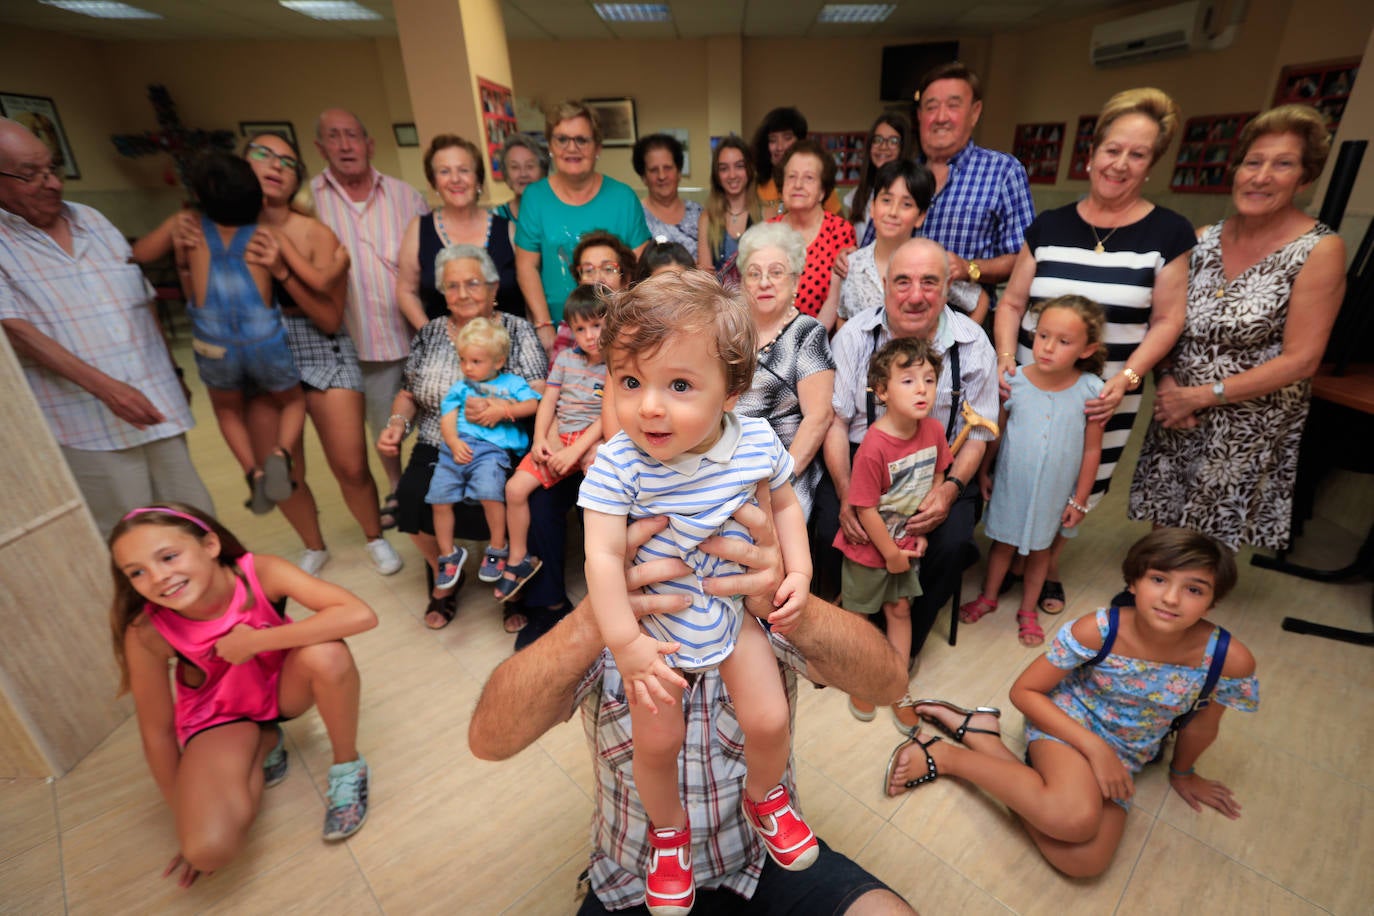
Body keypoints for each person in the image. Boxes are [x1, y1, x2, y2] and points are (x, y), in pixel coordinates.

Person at [468, 499, 916, 915]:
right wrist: (594, 618)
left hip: (761, 859)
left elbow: (888, 683)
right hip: (632, 876)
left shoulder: (757, 605)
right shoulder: (609, 623)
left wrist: (791, 603)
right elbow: (490, 740)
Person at [579, 271, 817, 911]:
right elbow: (601, 553)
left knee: (769, 719)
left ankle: (767, 797)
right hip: (654, 632)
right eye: (631, 382)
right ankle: (667, 837)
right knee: (655, 745)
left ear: (733, 392)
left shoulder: (756, 442)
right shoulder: (619, 461)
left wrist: (799, 572)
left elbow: (789, 507)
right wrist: (625, 643)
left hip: (728, 612)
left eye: (679, 385)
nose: (649, 406)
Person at [886, 528, 1258, 879]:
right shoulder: (1099, 629)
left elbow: (1203, 724)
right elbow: (1025, 692)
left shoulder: (1229, 657)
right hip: (1065, 723)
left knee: (1084, 861)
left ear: (1214, 601)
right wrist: (1095, 749)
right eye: (1159, 579)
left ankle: (984, 738)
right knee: (1072, 820)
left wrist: (1183, 773)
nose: (1171, 598)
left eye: (1194, 589)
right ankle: (947, 757)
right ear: (1133, 582)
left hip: (1128, 750)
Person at [994, 87, 1192, 614]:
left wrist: (1127, 379)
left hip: (1106, 390)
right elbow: (1012, 303)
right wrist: (1007, 360)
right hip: (1035, 384)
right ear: (1092, 153)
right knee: (1022, 464)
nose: (1120, 164)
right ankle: (1011, 551)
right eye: (1112, 150)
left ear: (1151, 165)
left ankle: (1045, 562)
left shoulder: (1168, 233)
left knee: (1077, 477)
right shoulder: (1049, 226)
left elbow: (1169, 319)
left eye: (1138, 154)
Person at [109, 503, 377, 886]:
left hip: (283, 689)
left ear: (211, 545)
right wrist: (186, 813)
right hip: (221, 716)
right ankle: (266, 740)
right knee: (207, 849)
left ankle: (348, 768)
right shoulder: (146, 631)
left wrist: (257, 641)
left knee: (328, 653)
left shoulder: (259, 572)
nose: (158, 578)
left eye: (168, 557)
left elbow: (359, 614)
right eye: (137, 572)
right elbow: (157, 733)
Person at [1128, 104, 1347, 552]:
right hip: (1178, 409)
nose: (1261, 176)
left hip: (1248, 422)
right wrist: (1169, 385)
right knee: (1165, 522)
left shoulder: (1319, 250)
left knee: (1207, 546)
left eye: (1282, 164)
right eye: (1253, 162)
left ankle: (1186, 611)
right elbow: (1166, 320)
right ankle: (1149, 598)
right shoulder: (1202, 237)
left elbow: (1302, 359)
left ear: (1305, 179)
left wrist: (1205, 395)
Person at [0, 118, 213, 536]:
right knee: (130, 535)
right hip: (85, 421)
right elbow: (16, 330)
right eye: (31, 175)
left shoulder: (92, 220)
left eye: (52, 170)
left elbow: (140, 297)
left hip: (156, 400)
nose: (52, 184)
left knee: (194, 521)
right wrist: (109, 390)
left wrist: (173, 371)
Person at [819, 238, 998, 658]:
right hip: (865, 459)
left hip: (940, 464)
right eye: (903, 282)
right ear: (884, 284)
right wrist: (848, 495)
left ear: (948, 285)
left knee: (951, 543)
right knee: (830, 528)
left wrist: (949, 489)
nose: (915, 296)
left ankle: (905, 644)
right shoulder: (853, 337)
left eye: (929, 282)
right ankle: (861, 627)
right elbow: (836, 421)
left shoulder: (973, 344)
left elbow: (980, 432)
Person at [378, 245, 547, 630]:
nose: (463, 293)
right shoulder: (433, 333)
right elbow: (408, 392)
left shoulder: (517, 330)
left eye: (473, 283)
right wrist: (396, 426)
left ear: (493, 288)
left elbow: (539, 390)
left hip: (503, 438)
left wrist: (501, 410)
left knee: (502, 491)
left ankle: (511, 583)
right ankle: (446, 569)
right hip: (439, 439)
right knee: (411, 497)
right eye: (451, 286)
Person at [966, 296, 1106, 647]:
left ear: (1087, 350)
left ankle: (1028, 610)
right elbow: (996, 434)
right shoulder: (1015, 382)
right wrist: (984, 471)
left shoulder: (1091, 391)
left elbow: (1092, 450)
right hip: (1012, 485)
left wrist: (1080, 500)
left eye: (1063, 341)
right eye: (1043, 336)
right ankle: (989, 597)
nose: (1047, 347)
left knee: (1041, 552)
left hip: (1055, 494)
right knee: (1001, 546)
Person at [312, 108, 429, 520]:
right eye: (334, 137)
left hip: (412, 331)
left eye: (352, 136)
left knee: (430, 414)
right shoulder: (309, 201)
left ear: (369, 144)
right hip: (351, 336)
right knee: (384, 423)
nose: (345, 145)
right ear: (320, 147)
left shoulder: (406, 196)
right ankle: (398, 491)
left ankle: (427, 486)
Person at [181, 153, 309, 516]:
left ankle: (253, 471)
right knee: (293, 402)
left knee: (227, 411)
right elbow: (307, 276)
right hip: (263, 339)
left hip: (212, 341)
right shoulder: (264, 236)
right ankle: (281, 453)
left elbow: (139, 253)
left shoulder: (191, 232)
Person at [837, 338, 949, 728]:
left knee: (900, 610)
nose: (922, 388)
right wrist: (890, 554)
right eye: (908, 380)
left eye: (930, 379)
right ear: (881, 391)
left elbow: (939, 471)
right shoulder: (873, 446)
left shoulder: (934, 430)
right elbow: (864, 507)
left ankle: (897, 683)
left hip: (905, 544)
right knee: (860, 617)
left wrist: (924, 523)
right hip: (872, 549)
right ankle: (861, 680)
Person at [501, 286, 606, 621]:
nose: (589, 336)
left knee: (598, 491)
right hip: (558, 436)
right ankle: (519, 559)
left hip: (591, 442)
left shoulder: (617, 364)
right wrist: (539, 439)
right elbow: (548, 400)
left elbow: (609, 415)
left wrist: (578, 449)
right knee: (514, 489)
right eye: (580, 329)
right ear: (569, 331)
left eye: (597, 326)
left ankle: (606, 582)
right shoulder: (564, 359)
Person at [515, 99, 650, 352]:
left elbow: (639, 268)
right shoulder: (535, 197)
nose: (571, 148)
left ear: (597, 147)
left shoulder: (623, 198)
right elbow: (527, 266)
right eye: (562, 139)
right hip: (557, 329)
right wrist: (543, 323)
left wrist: (629, 326)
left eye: (582, 140)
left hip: (616, 330)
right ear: (551, 146)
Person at [429, 316, 540, 597]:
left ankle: (497, 548)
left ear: (498, 361)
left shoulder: (511, 383)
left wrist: (504, 411)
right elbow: (448, 417)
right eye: (463, 360)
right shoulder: (460, 387)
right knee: (439, 497)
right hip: (457, 447)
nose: (468, 367)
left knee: (491, 492)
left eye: (476, 362)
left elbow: (534, 404)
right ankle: (448, 555)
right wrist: (452, 442)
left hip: (492, 451)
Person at [734, 222, 834, 519]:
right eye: (754, 273)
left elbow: (818, 417)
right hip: (722, 465)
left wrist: (781, 480)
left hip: (782, 470)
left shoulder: (808, 333)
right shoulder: (727, 330)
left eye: (776, 272)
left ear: (795, 282)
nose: (764, 282)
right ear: (743, 283)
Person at [913, 62, 1035, 291]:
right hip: (900, 317)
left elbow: (1023, 257)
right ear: (920, 115)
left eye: (953, 106)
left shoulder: (1003, 172)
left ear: (975, 112)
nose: (940, 117)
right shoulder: (902, 175)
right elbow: (872, 246)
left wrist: (970, 268)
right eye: (931, 107)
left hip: (969, 316)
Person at [397, 134, 523, 328]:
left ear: (478, 179)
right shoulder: (419, 229)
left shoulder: (508, 229)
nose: (455, 179)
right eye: (444, 171)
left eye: (464, 170)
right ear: (434, 182)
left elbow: (528, 287)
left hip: (508, 344)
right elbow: (406, 292)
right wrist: (432, 336)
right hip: (446, 349)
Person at [838, 160, 983, 326]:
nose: (893, 212)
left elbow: (979, 301)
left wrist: (957, 344)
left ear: (920, 216)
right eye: (886, 200)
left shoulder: (932, 263)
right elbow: (843, 315)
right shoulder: (851, 263)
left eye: (906, 204)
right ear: (872, 207)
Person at [767, 139, 855, 329]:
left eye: (808, 178)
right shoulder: (766, 232)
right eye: (791, 176)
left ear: (823, 191)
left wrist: (807, 346)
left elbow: (841, 301)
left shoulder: (840, 232)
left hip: (822, 347)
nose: (798, 184)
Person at [750, 107, 843, 217]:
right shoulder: (755, 185)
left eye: (787, 138)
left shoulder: (817, 183)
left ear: (801, 141)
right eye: (773, 140)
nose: (780, 147)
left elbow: (841, 227)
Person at [696, 134, 761, 282]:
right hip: (719, 302)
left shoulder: (766, 214)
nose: (732, 175)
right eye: (724, 168)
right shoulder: (707, 218)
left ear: (749, 169)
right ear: (717, 175)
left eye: (739, 166)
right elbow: (706, 277)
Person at [845, 112, 915, 248]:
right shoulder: (857, 195)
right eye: (877, 140)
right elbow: (851, 244)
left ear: (903, 147)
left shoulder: (912, 192)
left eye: (893, 141)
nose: (883, 147)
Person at [634, 132, 702, 251]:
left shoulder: (699, 214)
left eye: (668, 168)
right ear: (644, 177)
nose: (662, 176)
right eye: (654, 170)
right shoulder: (635, 217)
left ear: (679, 172)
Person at [491, 132, 547, 225]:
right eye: (515, 167)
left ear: (542, 171)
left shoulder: (557, 211)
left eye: (530, 166)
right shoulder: (495, 217)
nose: (523, 174)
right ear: (506, 174)